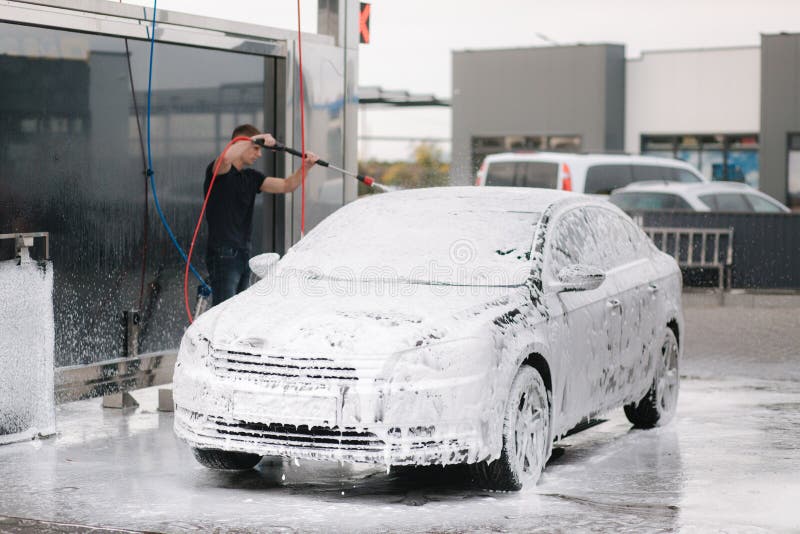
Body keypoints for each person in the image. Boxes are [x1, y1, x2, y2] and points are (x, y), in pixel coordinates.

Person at [204, 124, 318, 306]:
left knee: (238, 312)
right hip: (223, 254)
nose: (259, 154)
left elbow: (287, 186)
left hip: (243, 254)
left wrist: (306, 167)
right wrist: (258, 139)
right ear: (241, 143)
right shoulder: (219, 171)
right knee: (224, 311)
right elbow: (226, 156)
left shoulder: (252, 177)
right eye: (256, 149)